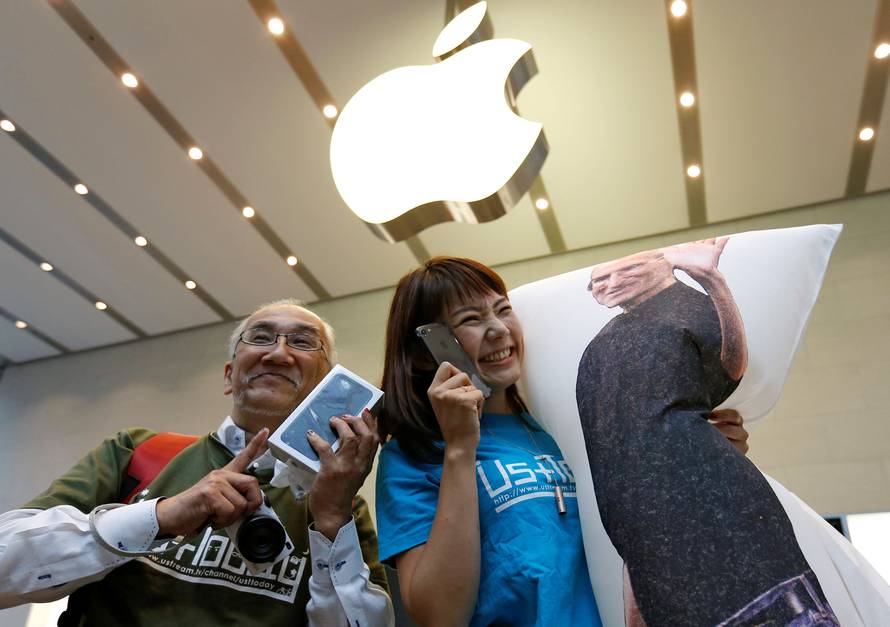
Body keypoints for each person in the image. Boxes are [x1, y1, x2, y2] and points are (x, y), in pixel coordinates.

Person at [374, 257, 750, 627]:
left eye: (503, 310)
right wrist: (459, 449)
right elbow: (440, 617)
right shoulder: (412, 456)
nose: (499, 330)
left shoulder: (561, 426)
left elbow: (643, 534)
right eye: (471, 319)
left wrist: (704, 462)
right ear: (427, 352)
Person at [0, 298, 393, 626]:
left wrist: (330, 521)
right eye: (260, 337)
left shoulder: (339, 500)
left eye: (303, 343)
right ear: (229, 376)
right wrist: (160, 517)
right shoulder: (136, 452)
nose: (278, 353)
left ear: (324, 382)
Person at [577, 238, 838, 626]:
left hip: (712, 505)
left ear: (665, 267)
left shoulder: (688, 308)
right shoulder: (605, 341)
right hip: (647, 528)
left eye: (627, 270)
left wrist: (710, 279)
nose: (612, 283)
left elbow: (731, 367)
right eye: (599, 280)